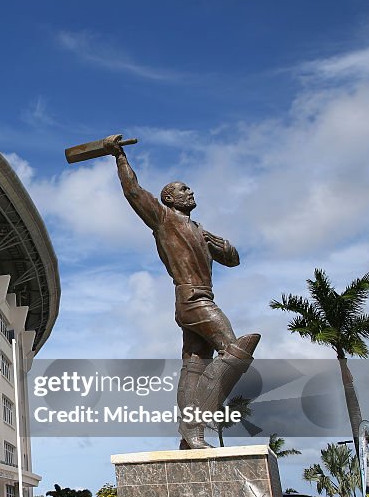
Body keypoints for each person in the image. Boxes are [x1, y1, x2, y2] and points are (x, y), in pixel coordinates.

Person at [103, 135, 259, 449]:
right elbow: (133, 191)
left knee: (194, 365)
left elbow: (234, 259)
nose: (190, 192)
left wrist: (219, 244)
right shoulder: (163, 220)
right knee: (234, 351)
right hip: (192, 299)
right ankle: (196, 421)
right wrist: (119, 156)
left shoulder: (199, 230)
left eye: (189, 188)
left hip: (202, 298)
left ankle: (190, 438)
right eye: (182, 189)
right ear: (170, 199)